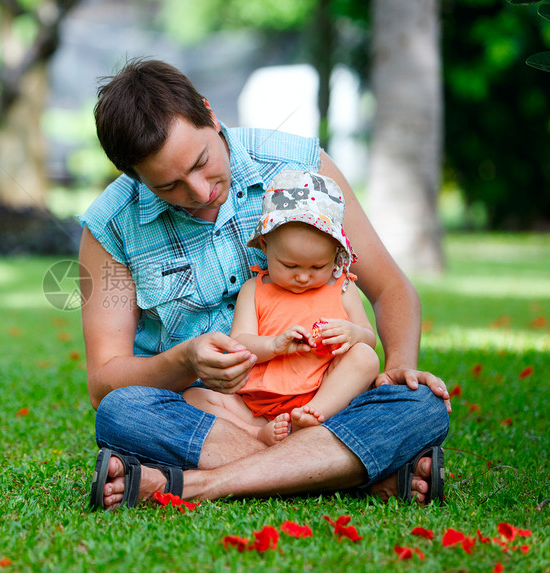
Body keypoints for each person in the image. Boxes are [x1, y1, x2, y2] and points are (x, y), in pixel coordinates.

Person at [78, 58, 450, 511]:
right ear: (135, 178)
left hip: (326, 403)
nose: (199, 192)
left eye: (201, 162)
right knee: (122, 413)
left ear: (211, 116)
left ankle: (193, 485)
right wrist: (183, 358)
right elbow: (105, 381)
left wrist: (398, 368)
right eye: (169, 185)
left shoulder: (301, 167)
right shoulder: (111, 227)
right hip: (216, 416)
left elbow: (391, 289)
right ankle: (349, 473)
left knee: (420, 403)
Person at [184, 169, 380, 446]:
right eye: (289, 266)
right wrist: (274, 345)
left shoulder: (343, 287)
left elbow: (369, 340)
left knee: (365, 358)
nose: (302, 276)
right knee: (194, 397)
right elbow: (240, 344)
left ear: (336, 253)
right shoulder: (256, 289)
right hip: (256, 406)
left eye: (317, 267)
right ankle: (257, 435)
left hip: (323, 393)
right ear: (265, 246)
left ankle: (313, 418)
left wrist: (353, 334)